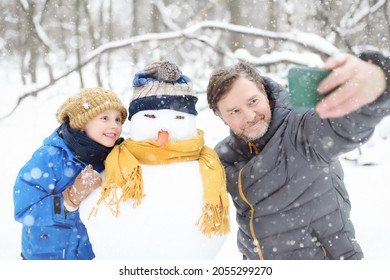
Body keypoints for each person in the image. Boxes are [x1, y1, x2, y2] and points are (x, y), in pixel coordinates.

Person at [206, 50, 390, 260]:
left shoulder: (301, 128)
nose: (249, 116)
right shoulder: (223, 158)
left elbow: (346, 126)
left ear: (265, 93)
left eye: (253, 101)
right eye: (234, 112)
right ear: (222, 119)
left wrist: (378, 81)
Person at [13, 87, 127, 260]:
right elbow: (25, 210)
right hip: (47, 257)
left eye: (118, 119)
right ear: (82, 125)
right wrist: (69, 199)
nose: (115, 125)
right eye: (105, 118)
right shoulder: (51, 157)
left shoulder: (111, 157)